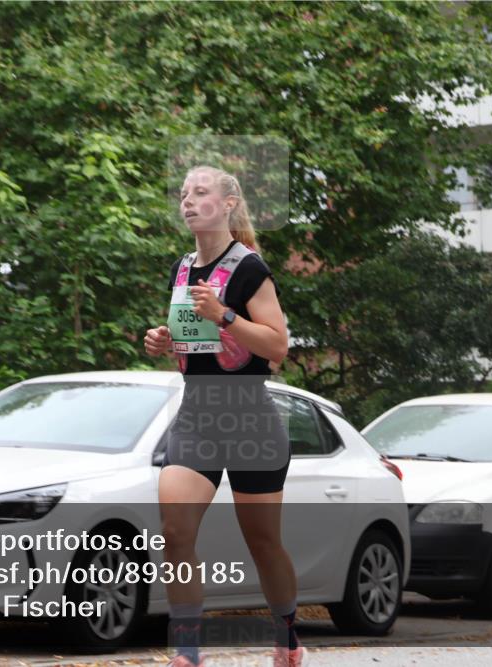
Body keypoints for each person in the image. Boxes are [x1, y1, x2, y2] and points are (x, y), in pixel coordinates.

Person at [144, 166, 306, 667]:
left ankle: (286, 634)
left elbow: (277, 347)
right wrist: (162, 341)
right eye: (184, 194)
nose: (187, 201)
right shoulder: (181, 267)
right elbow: (195, 344)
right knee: (175, 530)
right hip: (196, 413)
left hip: (250, 416)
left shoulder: (249, 268)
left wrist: (227, 316)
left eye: (200, 193)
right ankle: (188, 650)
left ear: (229, 204)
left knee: (262, 540)